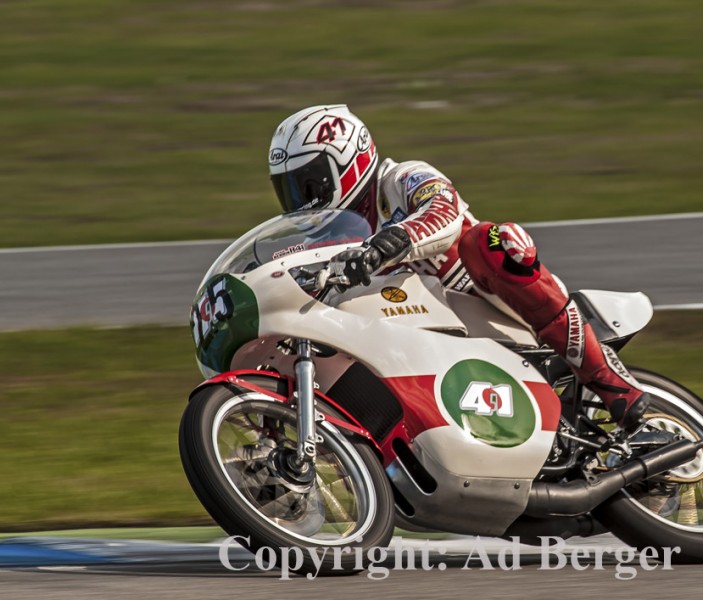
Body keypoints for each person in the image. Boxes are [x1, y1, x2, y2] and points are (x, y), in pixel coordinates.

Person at [267, 104, 648, 430]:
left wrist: (388, 244)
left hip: (487, 305)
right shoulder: (329, 239)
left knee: (492, 241)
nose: (302, 203)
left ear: (348, 163)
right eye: (290, 191)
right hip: (414, 339)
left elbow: (444, 210)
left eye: (309, 185)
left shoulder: (400, 178)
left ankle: (611, 382)